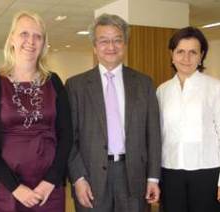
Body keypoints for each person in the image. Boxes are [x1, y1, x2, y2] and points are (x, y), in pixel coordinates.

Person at [0, 10, 72, 212]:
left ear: (44, 44)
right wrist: (16, 188)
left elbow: (67, 136)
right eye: (24, 34)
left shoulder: (54, 82)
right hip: (5, 187)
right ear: (11, 39)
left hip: (48, 187)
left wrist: (50, 181)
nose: (31, 41)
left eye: (38, 36)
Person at [66, 13, 161, 212]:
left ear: (125, 44)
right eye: (104, 41)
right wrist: (78, 178)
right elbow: (68, 139)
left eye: (117, 40)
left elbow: (153, 135)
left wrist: (153, 177)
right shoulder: (76, 86)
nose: (111, 47)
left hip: (134, 176)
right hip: (90, 178)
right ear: (94, 46)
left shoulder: (143, 83)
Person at [156, 26, 220, 212]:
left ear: (201, 55)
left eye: (193, 52)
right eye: (180, 51)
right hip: (170, 173)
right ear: (172, 54)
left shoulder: (215, 88)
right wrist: (155, 178)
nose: (186, 58)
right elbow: (158, 137)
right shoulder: (162, 90)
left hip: (207, 174)